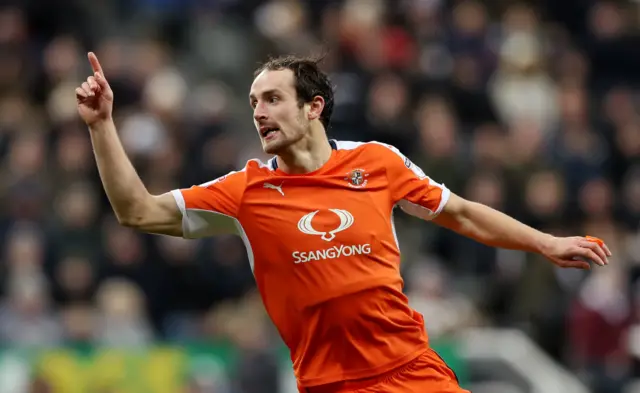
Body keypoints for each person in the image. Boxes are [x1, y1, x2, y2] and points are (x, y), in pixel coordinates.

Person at [76, 52, 611, 393]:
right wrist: (102, 127)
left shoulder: (377, 161)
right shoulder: (244, 191)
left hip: (412, 371)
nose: (259, 112)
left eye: (272, 98)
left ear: (314, 106)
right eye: (253, 101)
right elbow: (137, 211)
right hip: (330, 386)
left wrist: (546, 243)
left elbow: (463, 213)